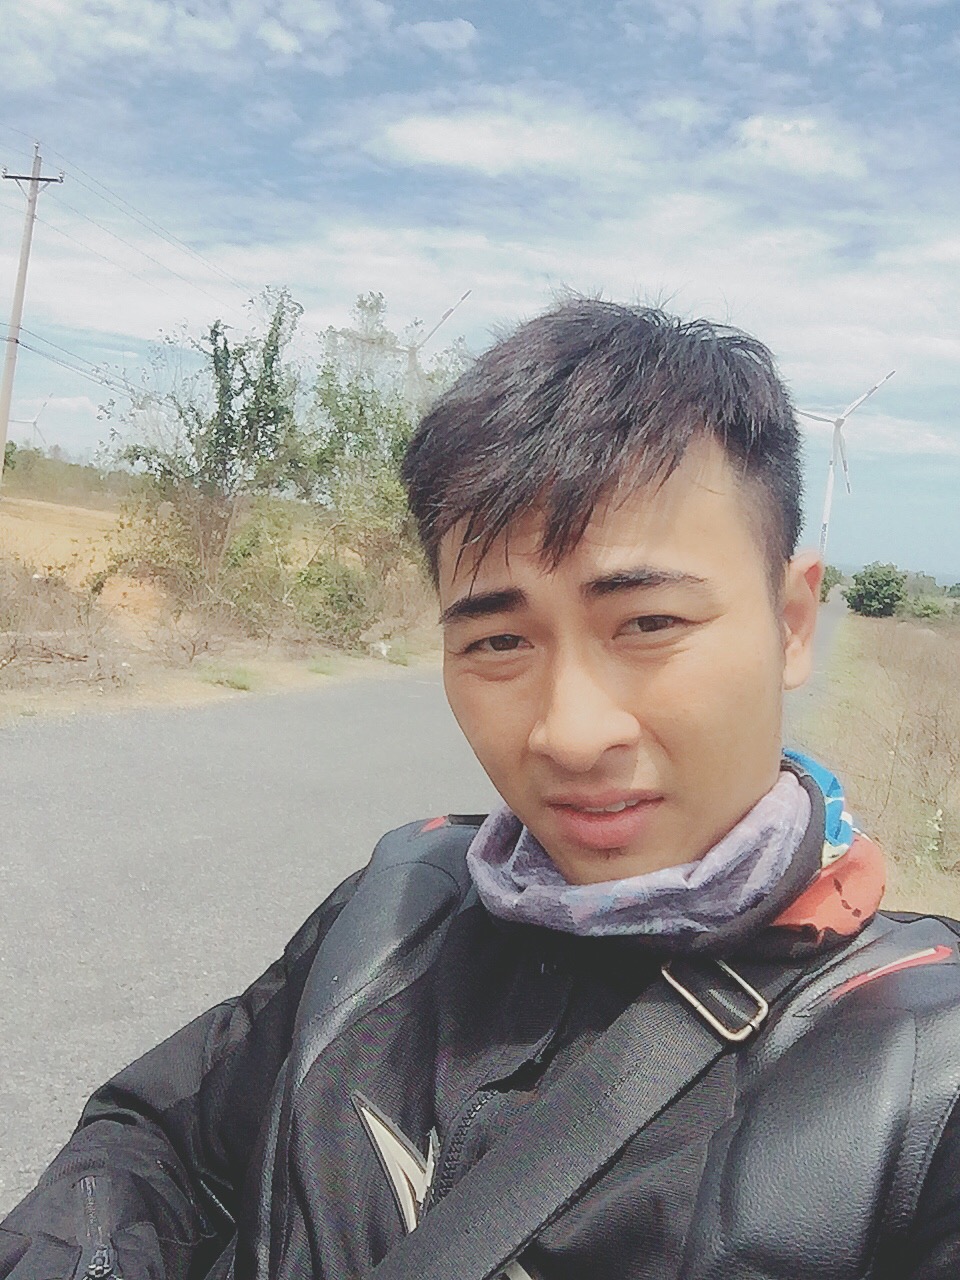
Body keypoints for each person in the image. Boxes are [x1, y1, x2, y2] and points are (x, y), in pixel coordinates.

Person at [3, 299, 960, 1280]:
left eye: (649, 623)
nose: (570, 734)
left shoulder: (927, 1076)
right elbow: (159, 1144)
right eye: (500, 640)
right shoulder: (396, 905)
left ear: (792, 623)